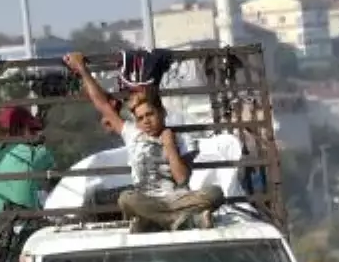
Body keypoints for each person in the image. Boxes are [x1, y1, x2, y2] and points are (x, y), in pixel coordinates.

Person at [63, 51, 224, 232]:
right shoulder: (132, 134)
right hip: (146, 200)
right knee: (126, 198)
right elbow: (103, 104)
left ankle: (158, 220)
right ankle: (181, 220)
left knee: (215, 193)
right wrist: (83, 70)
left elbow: (181, 179)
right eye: (140, 118)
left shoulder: (181, 138)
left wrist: (169, 146)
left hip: (177, 200)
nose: (146, 121)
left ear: (162, 113)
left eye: (150, 115)